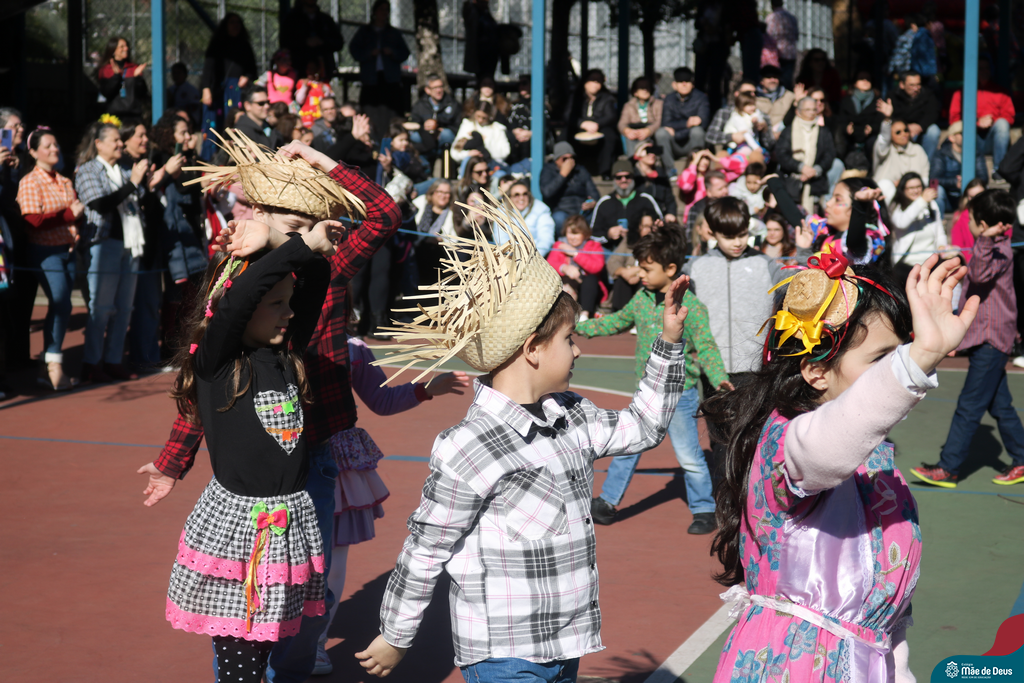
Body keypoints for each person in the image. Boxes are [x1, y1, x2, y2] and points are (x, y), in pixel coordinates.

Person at [353, 197, 689, 679]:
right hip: (503, 650)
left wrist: (669, 342)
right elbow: (427, 546)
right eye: (569, 339)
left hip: (566, 640)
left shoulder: (572, 415)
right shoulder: (468, 445)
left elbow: (644, 426)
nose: (577, 351)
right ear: (533, 349)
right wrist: (395, 634)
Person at [137, 138, 401, 682]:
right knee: (243, 618)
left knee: (302, 604)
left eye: (308, 223)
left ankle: (293, 666)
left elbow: (383, 215)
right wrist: (173, 460)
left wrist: (317, 172)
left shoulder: (297, 318)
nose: (286, 312)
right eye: (289, 222)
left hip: (308, 464)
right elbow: (203, 392)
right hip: (247, 494)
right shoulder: (235, 296)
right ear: (257, 212)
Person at [706, 248, 977, 682]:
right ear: (816, 372)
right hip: (792, 667)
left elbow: (884, 625)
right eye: (881, 358)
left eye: (900, 352)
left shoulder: (876, 461)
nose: (895, 366)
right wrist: (917, 360)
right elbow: (828, 445)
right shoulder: (788, 443)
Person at [164, 212, 342, 683]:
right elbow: (240, 297)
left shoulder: (285, 352)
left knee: (267, 647)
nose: (289, 312)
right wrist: (292, 243)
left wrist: (280, 238)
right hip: (240, 530)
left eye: (289, 303)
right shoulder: (218, 362)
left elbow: (317, 276)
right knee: (241, 659)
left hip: (290, 522)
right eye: (276, 304)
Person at [314, 335, 471, 667]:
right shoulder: (282, 340)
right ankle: (286, 639)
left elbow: (380, 399)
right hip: (289, 457)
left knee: (331, 558)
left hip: (332, 459)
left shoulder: (350, 348)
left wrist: (426, 389)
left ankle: (312, 641)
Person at [578, 227, 728, 534]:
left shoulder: (691, 307)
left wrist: (719, 378)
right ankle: (607, 502)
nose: (640, 274)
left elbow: (707, 346)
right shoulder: (642, 299)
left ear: (670, 269)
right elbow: (617, 321)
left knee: (688, 455)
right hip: (645, 393)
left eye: (647, 269)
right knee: (628, 447)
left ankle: (704, 508)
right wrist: (582, 328)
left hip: (680, 395)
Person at [910, 190, 1024, 489]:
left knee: (969, 405)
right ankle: (1022, 459)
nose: (967, 222)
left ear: (983, 224)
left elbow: (982, 273)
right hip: (986, 337)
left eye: (971, 218)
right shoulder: (992, 247)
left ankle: (948, 468)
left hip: (991, 339)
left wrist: (983, 239)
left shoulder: (1000, 250)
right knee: (1000, 405)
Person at [74, 120, 149, 383]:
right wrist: (133, 183)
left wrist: (140, 180)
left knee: (125, 308)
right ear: (99, 144)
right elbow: (99, 204)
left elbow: (139, 200)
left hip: (131, 243)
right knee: (101, 307)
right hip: (103, 243)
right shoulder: (88, 170)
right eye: (115, 140)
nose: (120, 144)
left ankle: (113, 360)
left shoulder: (123, 169)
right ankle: (91, 363)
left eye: (120, 140)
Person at [16, 127, 84, 391]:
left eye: (56, 144)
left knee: (63, 305)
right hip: (45, 251)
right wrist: (68, 215)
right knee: (60, 302)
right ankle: (52, 364)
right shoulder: (30, 181)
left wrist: (75, 219)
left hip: (68, 249)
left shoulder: (64, 181)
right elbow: (33, 220)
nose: (54, 149)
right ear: (33, 152)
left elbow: (74, 212)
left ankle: (49, 364)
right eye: (48, 146)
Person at [350, 0, 411, 131]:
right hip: (370, 79)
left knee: (391, 113)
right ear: (374, 12)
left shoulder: (393, 33)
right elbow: (354, 50)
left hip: (390, 79)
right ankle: (372, 138)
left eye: (386, 10)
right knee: (371, 112)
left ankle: (390, 138)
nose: (384, 13)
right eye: (381, 9)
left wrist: (392, 52)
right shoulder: (364, 32)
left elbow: (405, 52)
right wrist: (369, 53)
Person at [949, 59, 1015, 176]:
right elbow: (954, 120)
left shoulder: (1000, 91)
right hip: (971, 139)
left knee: (1002, 124)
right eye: (980, 68)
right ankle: (966, 171)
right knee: (959, 130)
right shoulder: (961, 93)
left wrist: (992, 121)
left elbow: (1009, 115)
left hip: (993, 139)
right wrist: (976, 122)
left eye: (987, 68)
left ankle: (999, 170)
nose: (984, 71)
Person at [774, 96, 837, 213]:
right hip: (791, 180)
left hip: (815, 183)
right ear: (798, 112)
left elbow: (829, 154)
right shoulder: (788, 131)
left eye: (814, 109)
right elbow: (782, 154)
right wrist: (801, 167)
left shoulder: (824, 131)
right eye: (807, 110)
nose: (811, 113)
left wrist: (815, 170)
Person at [889, 172, 950, 283]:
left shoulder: (931, 204)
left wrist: (942, 245)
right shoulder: (897, 207)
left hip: (930, 261)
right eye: (911, 188)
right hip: (906, 265)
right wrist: (921, 201)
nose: (916, 190)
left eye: (918, 187)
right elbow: (901, 223)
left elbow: (940, 232)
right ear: (903, 189)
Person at [591, 158, 664, 252]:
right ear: (613, 179)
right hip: (610, 249)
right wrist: (608, 234)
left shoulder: (645, 199)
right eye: (619, 177)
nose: (623, 180)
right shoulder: (604, 202)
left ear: (633, 177)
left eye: (627, 176)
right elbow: (592, 234)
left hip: (641, 248)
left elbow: (661, 225)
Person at [200, 13, 257, 126]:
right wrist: (206, 89)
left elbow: (253, 70)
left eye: (238, 22)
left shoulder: (245, 45)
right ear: (225, 25)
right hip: (218, 90)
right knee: (216, 121)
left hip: (238, 90)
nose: (236, 25)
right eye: (232, 22)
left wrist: (247, 77)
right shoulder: (217, 44)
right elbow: (208, 68)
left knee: (236, 121)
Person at [546, 214, 606, 318]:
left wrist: (575, 254)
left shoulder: (594, 246)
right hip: (567, 284)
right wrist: (564, 268)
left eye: (576, 233)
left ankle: (584, 315)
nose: (573, 237)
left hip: (587, 287)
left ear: (585, 234)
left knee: (591, 279)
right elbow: (550, 263)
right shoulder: (559, 245)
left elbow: (596, 267)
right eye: (570, 233)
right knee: (561, 283)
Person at [655, 67, 710, 181]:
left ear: (692, 83)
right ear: (674, 84)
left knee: (697, 131)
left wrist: (677, 132)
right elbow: (665, 123)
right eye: (680, 82)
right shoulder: (669, 99)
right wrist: (687, 124)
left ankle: (694, 168)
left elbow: (703, 123)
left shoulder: (701, 98)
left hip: (692, 143)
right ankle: (670, 170)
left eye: (687, 81)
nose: (684, 84)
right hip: (673, 145)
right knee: (661, 133)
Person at [873, 98, 930, 203]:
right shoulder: (884, 149)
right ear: (891, 135)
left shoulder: (918, 150)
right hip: (889, 199)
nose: (903, 134)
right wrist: (887, 119)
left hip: (914, 196)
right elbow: (884, 139)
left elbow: (924, 179)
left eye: (906, 130)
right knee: (886, 185)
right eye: (898, 132)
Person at [931, 121, 989, 215]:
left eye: (969, 133)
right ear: (952, 137)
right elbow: (934, 179)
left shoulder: (976, 153)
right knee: (937, 190)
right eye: (962, 133)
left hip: (970, 196)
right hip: (948, 197)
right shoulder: (941, 154)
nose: (967, 136)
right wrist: (954, 182)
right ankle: (938, 220)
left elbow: (984, 177)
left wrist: (969, 183)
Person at [540, 141, 599, 232]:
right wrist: (563, 174)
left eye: (572, 158)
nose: (569, 162)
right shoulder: (548, 170)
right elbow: (547, 192)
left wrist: (592, 202)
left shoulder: (580, 170)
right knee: (558, 219)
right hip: (561, 210)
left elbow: (594, 193)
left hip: (581, 211)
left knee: (597, 215)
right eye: (565, 159)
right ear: (556, 160)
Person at [281, 0, 345, 82]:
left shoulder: (325, 20)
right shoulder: (292, 19)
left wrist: (322, 42)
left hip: (323, 70)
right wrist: (305, 42)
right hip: (299, 69)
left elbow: (338, 43)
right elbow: (285, 43)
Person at [572, 69, 619, 179]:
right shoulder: (575, 97)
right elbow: (568, 115)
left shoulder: (607, 98)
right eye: (592, 80)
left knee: (610, 136)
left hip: (599, 127)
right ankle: (571, 167)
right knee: (566, 134)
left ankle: (605, 171)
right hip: (581, 127)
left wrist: (596, 124)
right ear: (585, 82)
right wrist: (582, 123)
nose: (595, 83)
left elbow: (611, 116)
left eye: (598, 81)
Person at [886, 70, 941, 162]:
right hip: (901, 128)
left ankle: (926, 163)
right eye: (911, 85)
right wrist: (905, 127)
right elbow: (891, 117)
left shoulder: (928, 94)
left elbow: (933, 114)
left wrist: (920, 126)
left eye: (918, 84)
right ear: (902, 85)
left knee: (934, 131)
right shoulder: (892, 96)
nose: (916, 88)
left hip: (920, 129)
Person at [605, 211, 655, 311]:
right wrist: (624, 272)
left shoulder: (657, 243)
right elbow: (612, 262)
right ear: (638, 226)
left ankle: (641, 314)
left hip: (647, 279)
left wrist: (636, 271)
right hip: (627, 280)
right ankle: (620, 314)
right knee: (620, 281)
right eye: (645, 226)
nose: (649, 230)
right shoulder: (629, 241)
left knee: (644, 282)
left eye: (651, 226)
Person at [707, 80, 771, 153]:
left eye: (755, 93)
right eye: (747, 93)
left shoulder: (761, 115)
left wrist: (764, 130)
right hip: (731, 152)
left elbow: (770, 144)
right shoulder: (725, 112)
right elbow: (710, 136)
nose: (752, 95)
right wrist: (731, 137)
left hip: (756, 153)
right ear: (737, 94)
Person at [834, 71, 884, 164]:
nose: (865, 81)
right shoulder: (846, 101)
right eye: (861, 79)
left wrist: (872, 128)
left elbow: (880, 121)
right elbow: (841, 120)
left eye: (868, 79)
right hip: (850, 137)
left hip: (869, 138)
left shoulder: (878, 101)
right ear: (854, 83)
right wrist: (846, 128)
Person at [450, 101, 510, 175]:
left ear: (489, 115)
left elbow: (505, 152)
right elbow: (455, 151)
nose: (480, 120)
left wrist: (484, 149)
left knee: (499, 174)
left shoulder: (497, 128)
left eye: (484, 118)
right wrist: (468, 153)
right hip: (471, 167)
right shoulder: (467, 125)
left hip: (491, 165)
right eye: (478, 116)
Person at [498, 180, 555, 256]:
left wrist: (532, 257)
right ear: (510, 197)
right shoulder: (502, 211)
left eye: (525, 194)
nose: (521, 198)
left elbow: (546, 239)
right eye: (516, 195)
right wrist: (515, 256)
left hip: (536, 257)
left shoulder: (541, 209)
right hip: (510, 256)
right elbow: (501, 238)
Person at [96, 36, 149, 118]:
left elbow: (142, 93)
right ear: (113, 50)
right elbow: (106, 93)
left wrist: (137, 78)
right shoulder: (106, 69)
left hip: (133, 115)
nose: (126, 48)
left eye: (126, 46)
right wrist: (116, 76)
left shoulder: (134, 68)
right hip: (112, 115)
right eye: (122, 47)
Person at [409, 74, 461, 149]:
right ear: (427, 90)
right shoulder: (419, 105)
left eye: (440, 87)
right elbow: (413, 123)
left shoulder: (453, 104)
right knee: (415, 137)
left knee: (446, 134)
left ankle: (444, 156)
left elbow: (458, 126)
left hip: (443, 138)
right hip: (425, 138)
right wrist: (424, 127)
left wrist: (438, 125)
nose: (439, 90)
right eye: (435, 88)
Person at [632, 141, 678, 222]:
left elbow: (670, 199)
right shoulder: (632, 174)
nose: (652, 154)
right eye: (648, 151)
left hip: (659, 217)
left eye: (653, 151)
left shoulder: (661, 174)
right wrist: (636, 157)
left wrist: (671, 213)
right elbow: (622, 168)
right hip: (638, 218)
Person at [619, 77, 663, 158]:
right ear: (635, 92)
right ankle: (633, 161)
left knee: (659, 133)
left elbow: (660, 121)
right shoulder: (629, 105)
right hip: (635, 133)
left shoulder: (658, 104)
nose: (645, 90)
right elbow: (622, 123)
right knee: (629, 137)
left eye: (647, 87)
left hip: (651, 133)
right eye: (641, 88)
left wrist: (648, 130)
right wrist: (627, 130)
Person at [683, 168, 730, 242]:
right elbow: (690, 236)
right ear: (709, 192)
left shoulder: (732, 205)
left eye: (726, 187)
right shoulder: (697, 208)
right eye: (720, 189)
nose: (725, 191)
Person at [235, 84, 287, 151]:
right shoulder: (240, 133)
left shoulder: (271, 128)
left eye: (267, 102)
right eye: (261, 103)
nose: (267, 106)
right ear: (247, 105)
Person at [948, 179, 987, 265]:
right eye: (971, 197)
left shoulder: (994, 213)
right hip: (969, 263)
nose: (975, 200)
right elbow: (958, 246)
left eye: (979, 196)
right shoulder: (959, 216)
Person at [462, 0, 500, 82]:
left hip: (491, 53)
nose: (486, 3)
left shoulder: (486, 14)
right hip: (480, 54)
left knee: (489, 76)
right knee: (483, 78)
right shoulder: (472, 11)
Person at [765, 0, 799, 88]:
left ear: (772, 5)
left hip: (776, 54)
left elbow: (769, 36)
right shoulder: (792, 18)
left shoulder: (772, 17)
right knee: (787, 80)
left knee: (774, 78)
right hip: (790, 53)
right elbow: (796, 36)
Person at [755, 65, 795, 134]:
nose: (773, 80)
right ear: (761, 81)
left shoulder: (790, 96)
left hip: (784, 134)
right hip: (761, 135)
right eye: (769, 77)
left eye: (775, 77)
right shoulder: (754, 97)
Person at [295, 61, 335, 129]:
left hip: (321, 114)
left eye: (313, 68)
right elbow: (299, 100)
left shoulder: (323, 84)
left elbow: (330, 98)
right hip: (307, 114)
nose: (310, 71)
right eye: (309, 69)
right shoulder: (302, 82)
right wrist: (304, 87)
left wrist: (325, 90)